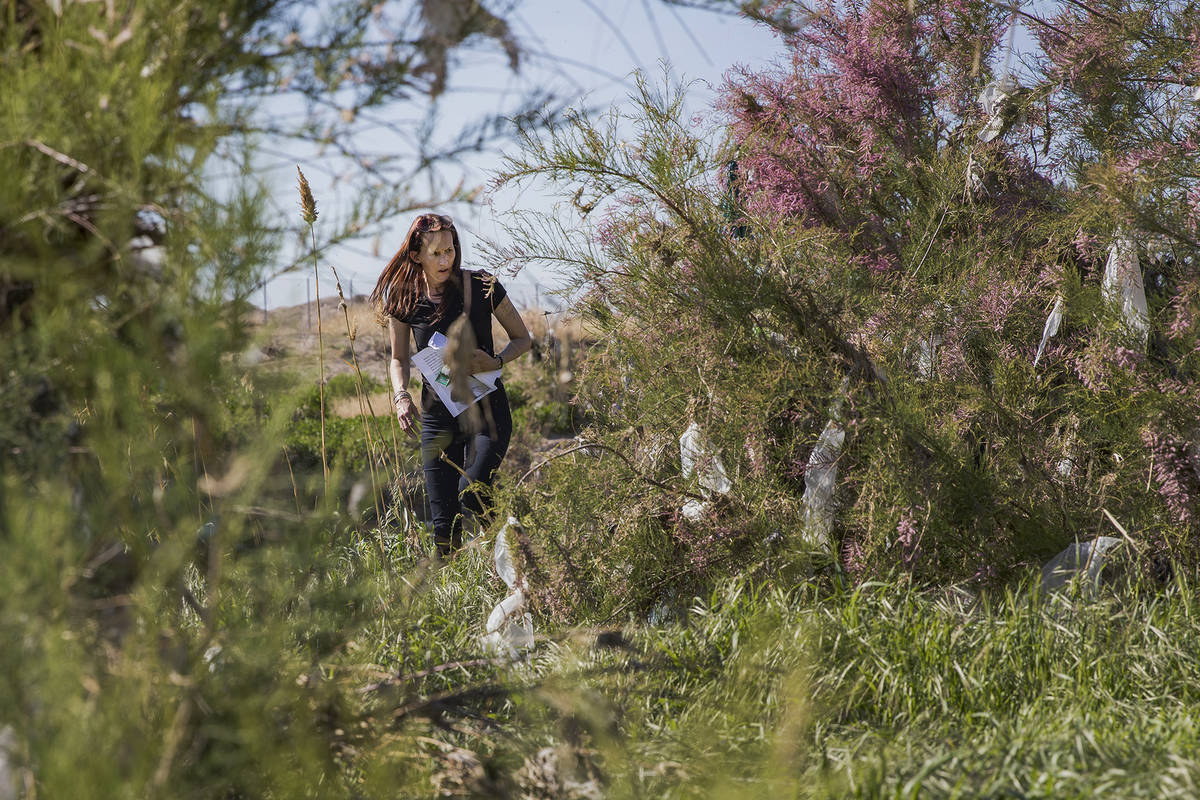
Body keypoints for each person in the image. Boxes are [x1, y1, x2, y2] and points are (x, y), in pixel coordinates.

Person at [370, 213, 532, 556]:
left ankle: (519, 555)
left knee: (471, 491)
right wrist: (401, 396)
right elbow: (398, 359)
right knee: (443, 531)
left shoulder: (482, 285)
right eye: (437, 254)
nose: (447, 259)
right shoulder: (403, 300)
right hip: (437, 419)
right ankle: (458, 596)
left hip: (487, 410)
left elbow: (522, 339)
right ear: (416, 256)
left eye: (451, 250)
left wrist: (498, 360)